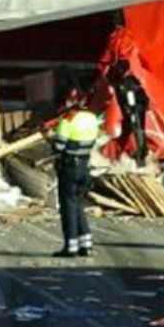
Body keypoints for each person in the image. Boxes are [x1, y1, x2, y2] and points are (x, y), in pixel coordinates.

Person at [49, 90, 101, 258]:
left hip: (69, 168)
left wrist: (50, 137)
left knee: (68, 207)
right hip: (84, 166)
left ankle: (70, 246)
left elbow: (59, 146)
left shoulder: (68, 120)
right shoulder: (92, 118)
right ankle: (86, 244)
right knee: (78, 204)